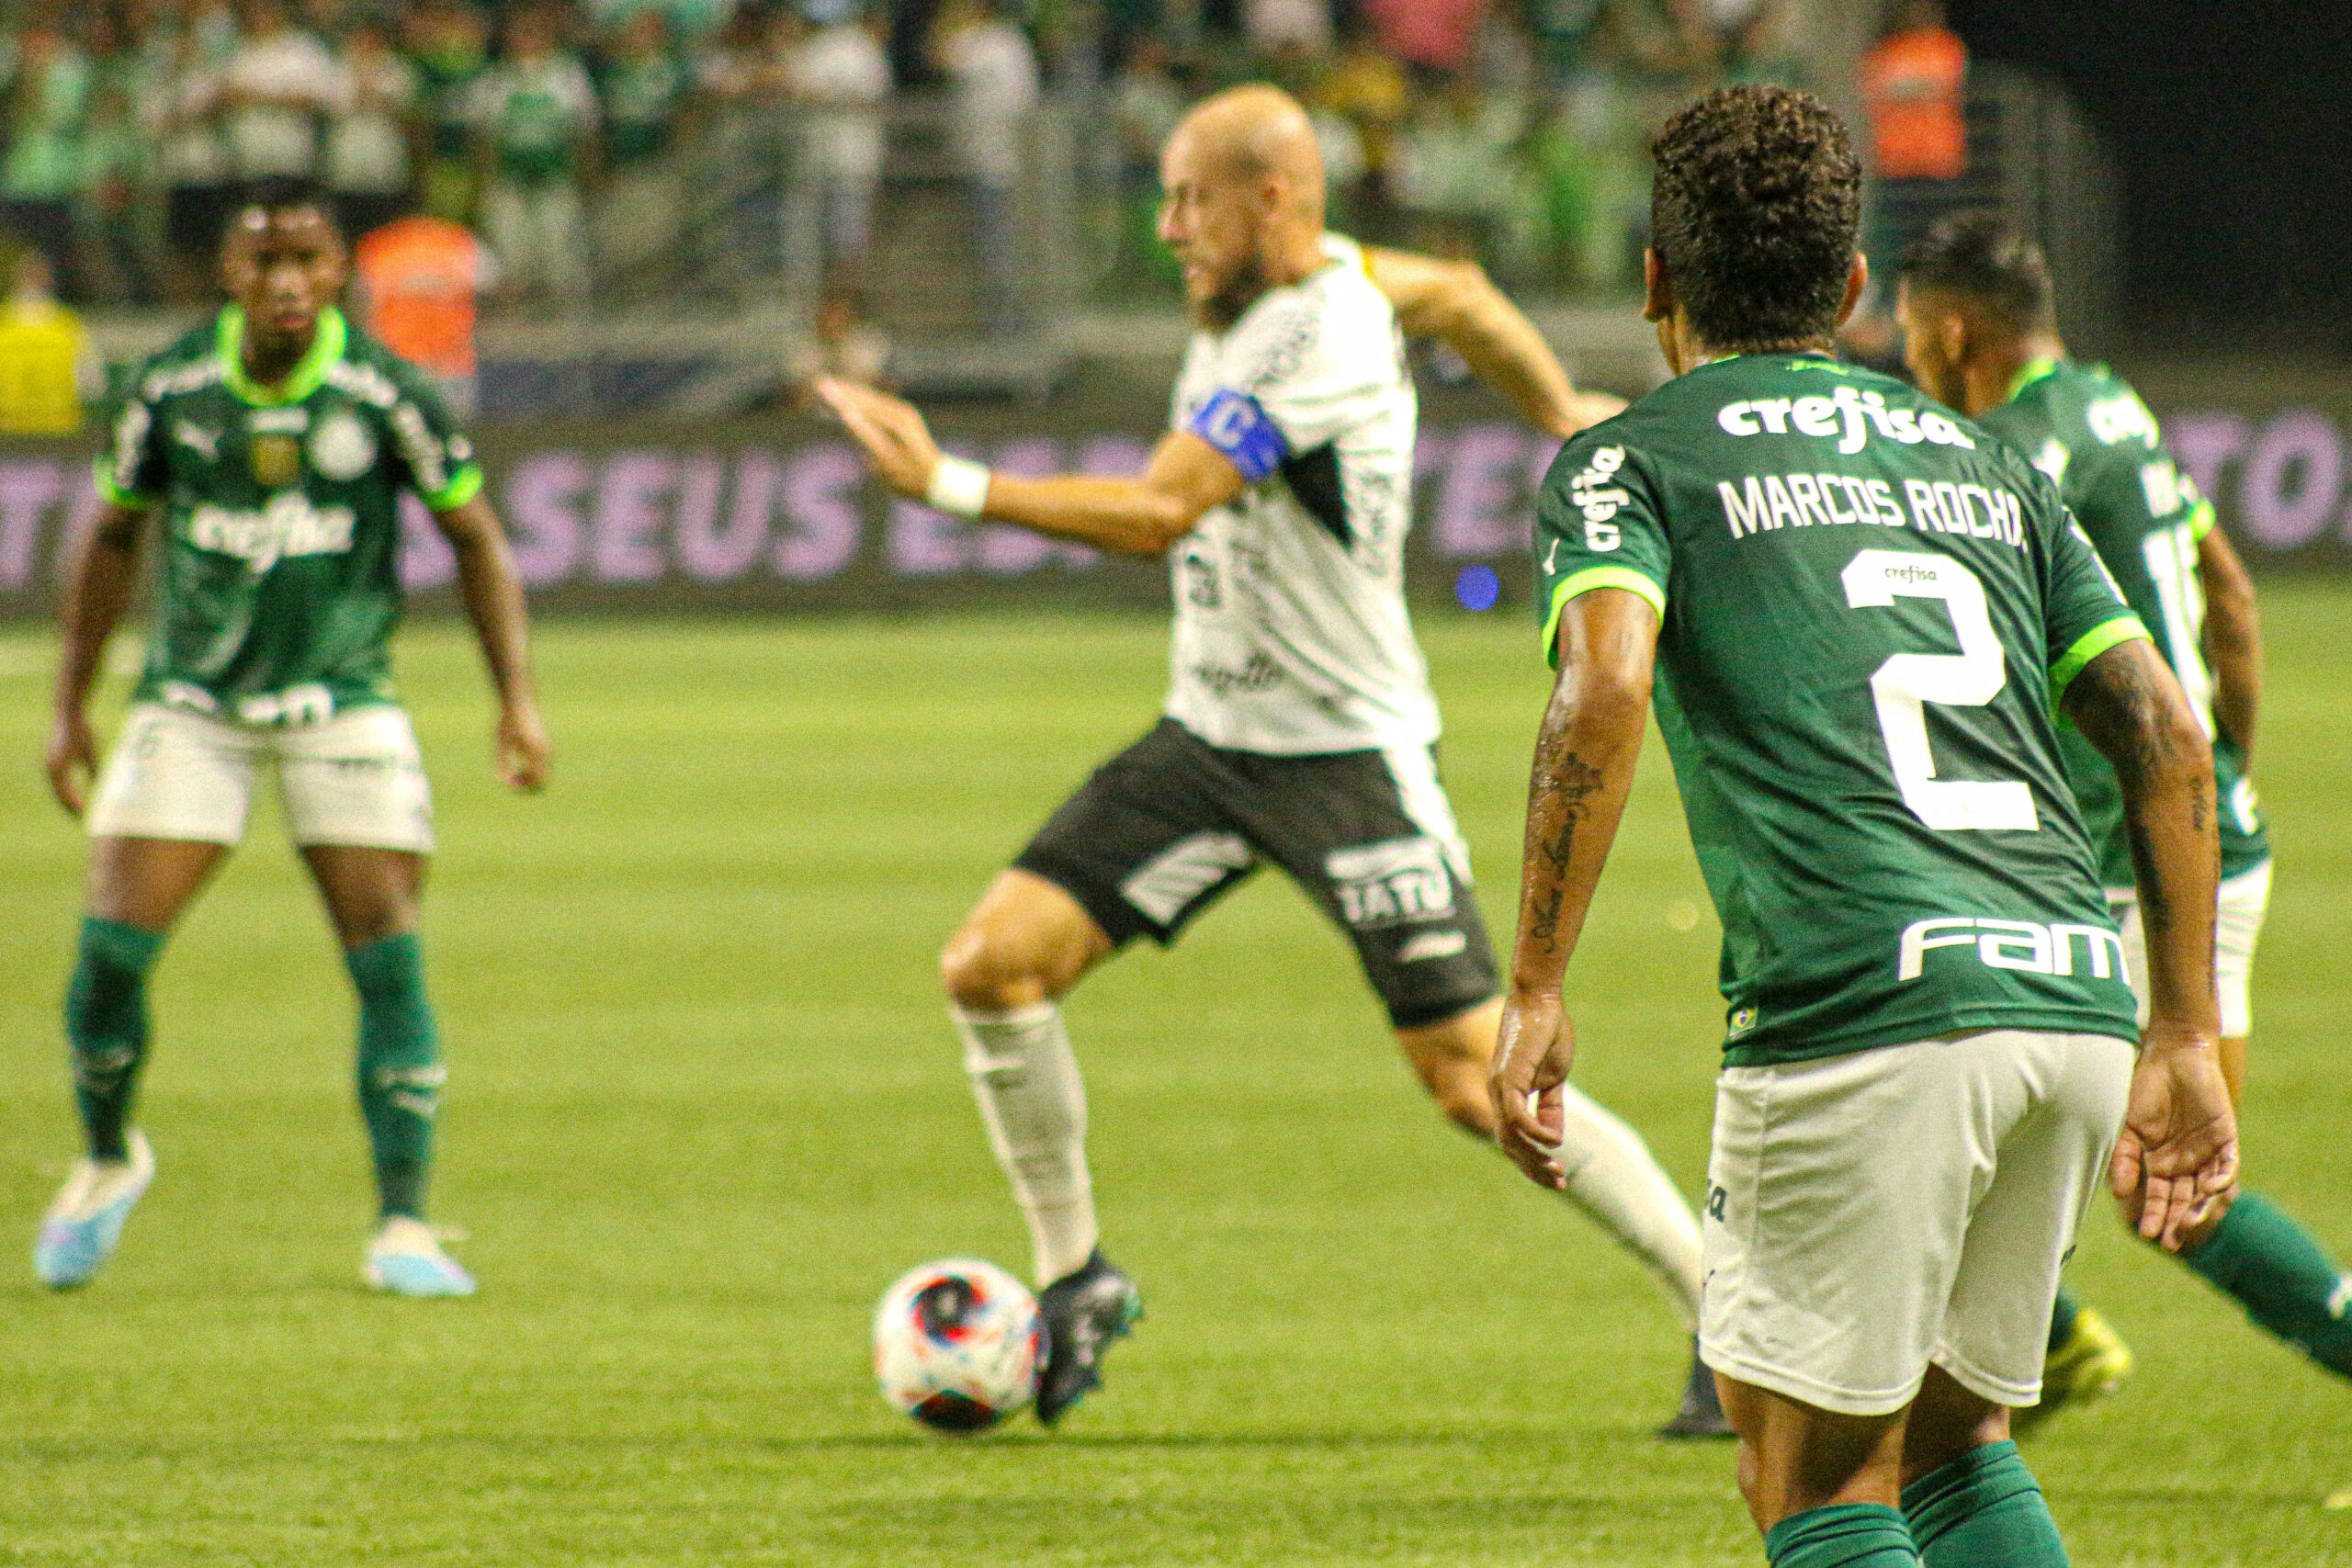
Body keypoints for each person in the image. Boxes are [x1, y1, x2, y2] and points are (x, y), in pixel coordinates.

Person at [819, 84, 1725, 1436]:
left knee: (1473, 1073)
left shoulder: (1323, 327)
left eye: (1193, 198)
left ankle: (1722, 1307)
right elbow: (1468, 294)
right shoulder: (1335, 281)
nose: (1170, 224)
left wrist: (949, 483)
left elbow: (1158, 510)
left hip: (1342, 752)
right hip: (1211, 734)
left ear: (1276, 200)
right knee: (991, 967)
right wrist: (1554, 407)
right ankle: (1076, 1273)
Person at [1495, 85, 2237, 1567]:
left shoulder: (1631, 457)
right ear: (1849, 290)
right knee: (1961, 1449)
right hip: (2069, 992)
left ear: (1654, 281)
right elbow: (2162, 728)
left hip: (1866, 1005)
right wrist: (2187, 1032)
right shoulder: (1992, 460)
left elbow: (1608, 683)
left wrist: (1534, 983)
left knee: (1818, 1482)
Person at [35, 185, 550, 1298]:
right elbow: (111, 539)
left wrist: (516, 698)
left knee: (387, 961)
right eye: (263, 261)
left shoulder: (387, 391)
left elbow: (475, 536)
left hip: (344, 705)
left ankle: (404, 1227)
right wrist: (70, 704)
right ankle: (105, 1160)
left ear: (337, 276)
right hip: (192, 706)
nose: (284, 282)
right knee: (109, 961)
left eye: (306, 261)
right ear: (229, 273)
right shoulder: (168, 387)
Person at [1896, 212, 2352, 1418]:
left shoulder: (2012, 450)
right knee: (2133, 1159)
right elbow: (2234, 602)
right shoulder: (2118, 407)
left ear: (1950, 331)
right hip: (2206, 834)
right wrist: (2223, 777)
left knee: (2156, 1173)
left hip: (2117, 856)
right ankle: (2045, 1342)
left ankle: (2040, 1340)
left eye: (1908, 337)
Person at [469, 5, 600, 304]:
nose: (529, 39)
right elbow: (484, 137)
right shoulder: (496, 80)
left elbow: (586, 134)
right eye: (521, 32)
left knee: (561, 251)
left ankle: (566, 319)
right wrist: (484, 185)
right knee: (510, 250)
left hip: (557, 178)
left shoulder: (568, 76)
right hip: (509, 182)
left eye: (536, 31)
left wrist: (589, 178)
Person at [930, 0, 1035, 333]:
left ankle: (1004, 324)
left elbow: (940, 56)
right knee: (986, 246)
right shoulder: (995, 41)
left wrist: (950, 20)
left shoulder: (997, 43)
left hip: (995, 161)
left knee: (996, 247)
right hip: (976, 159)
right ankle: (999, 320)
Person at [352, 209, 494, 417]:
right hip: (445, 365)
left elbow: (361, 304)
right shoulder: (460, 243)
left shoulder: (378, 246)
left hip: (398, 364)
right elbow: (493, 290)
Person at [0, 247, 104, 435]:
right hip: (59, 442)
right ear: (48, 280)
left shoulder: (3, 325)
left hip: (8, 443)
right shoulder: (68, 325)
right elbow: (92, 387)